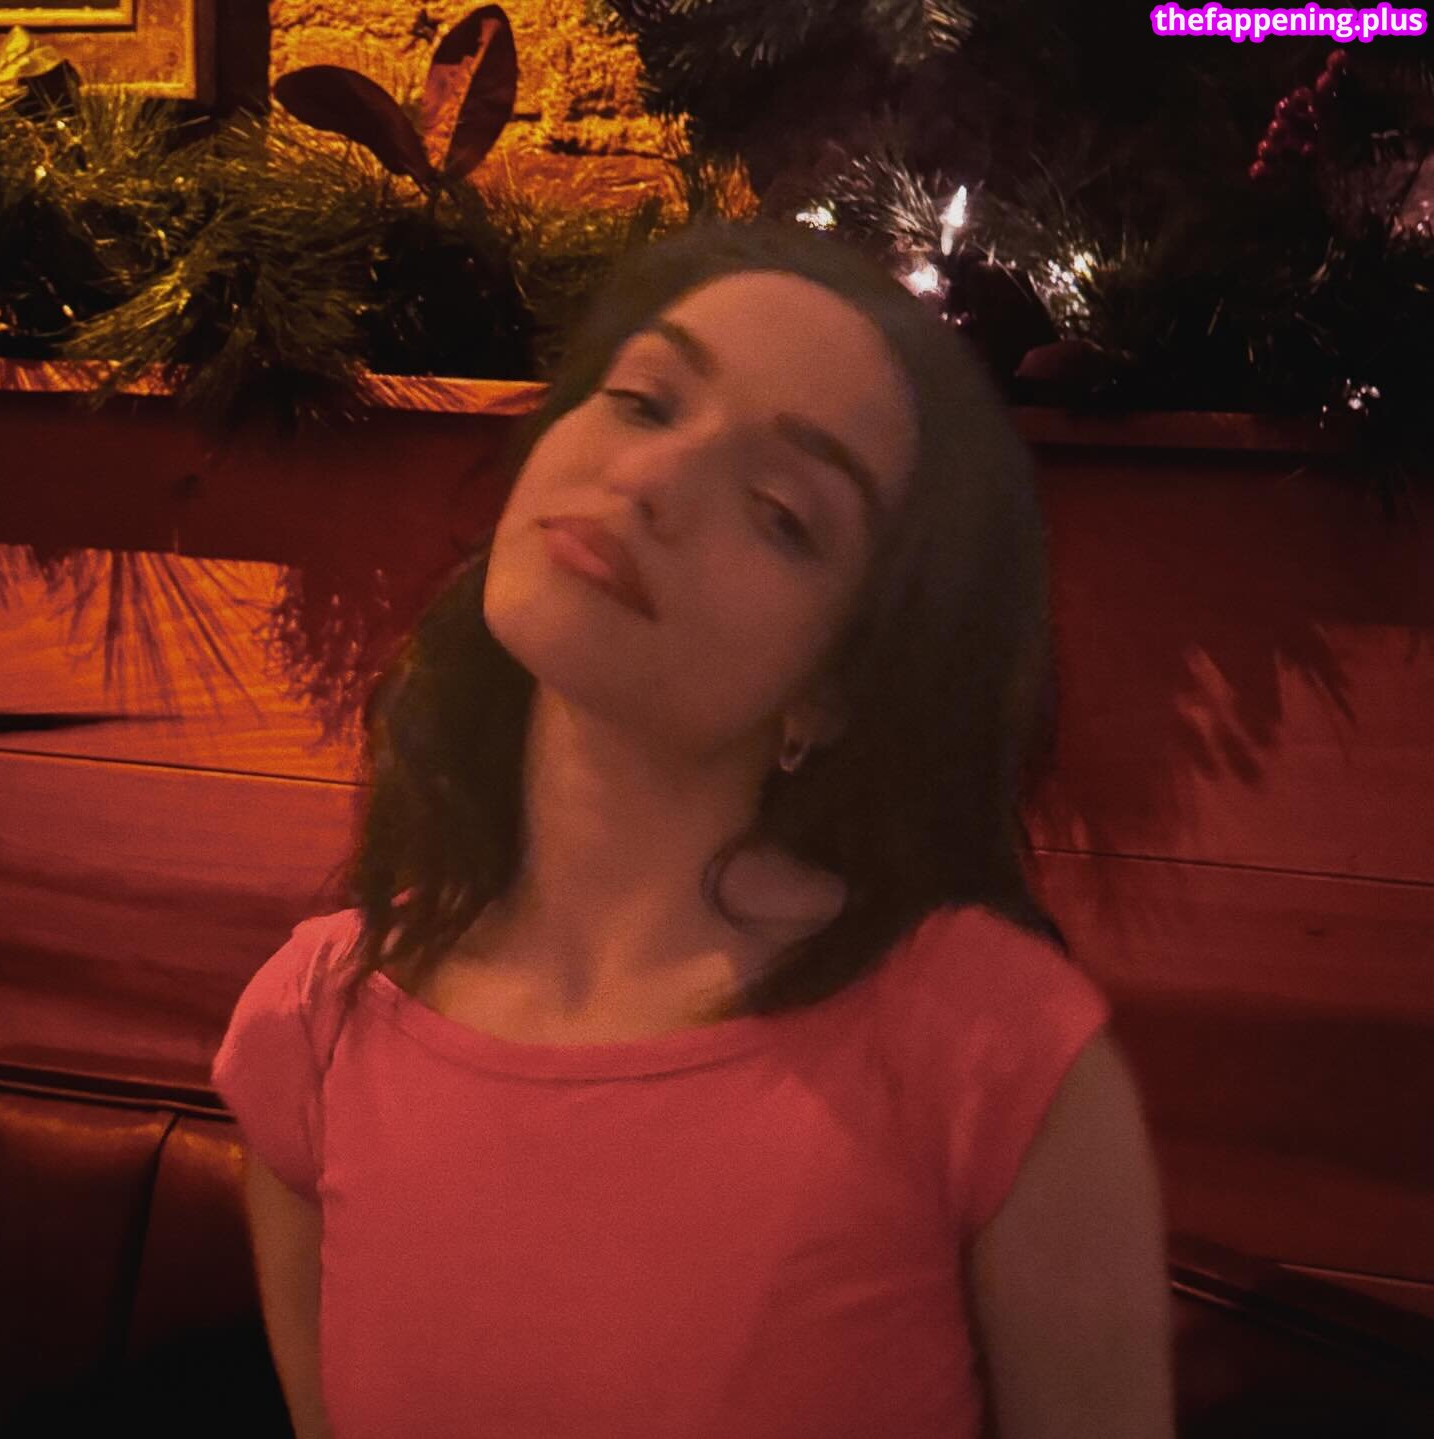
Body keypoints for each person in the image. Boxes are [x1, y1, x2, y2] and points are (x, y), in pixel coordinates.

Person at [212, 215, 1175, 1439]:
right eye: (643, 401)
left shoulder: (995, 1055)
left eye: (780, 509)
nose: (651, 480)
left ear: (833, 689)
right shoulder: (313, 1027)